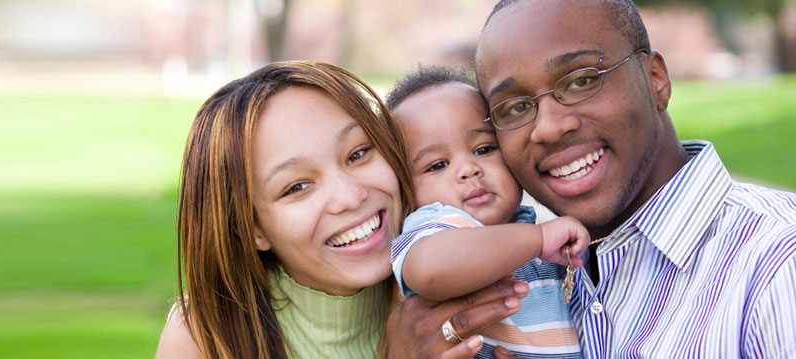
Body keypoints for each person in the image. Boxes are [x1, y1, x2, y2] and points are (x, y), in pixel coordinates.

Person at [474, 0, 796, 356]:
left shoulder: (776, 261)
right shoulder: (519, 289)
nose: (548, 128)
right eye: (515, 107)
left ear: (656, 79)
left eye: (581, 81)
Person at [155, 60, 530, 359]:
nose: (350, 197)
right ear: (253, 228)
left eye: (357, 153)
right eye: (296, 187)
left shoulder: (469, 269)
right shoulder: (206, 336)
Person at [384, 65, 587, 359]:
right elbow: (431, 269)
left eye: (483, 149)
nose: (469, 169)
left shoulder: (532, 229)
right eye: (437, 165)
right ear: (406, 191)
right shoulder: (435, 226)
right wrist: (539, 239)